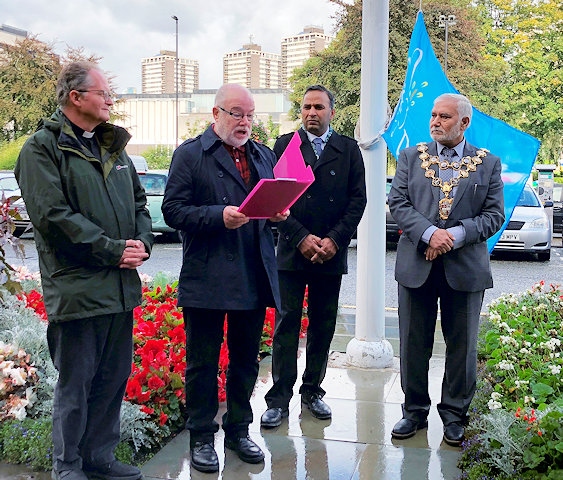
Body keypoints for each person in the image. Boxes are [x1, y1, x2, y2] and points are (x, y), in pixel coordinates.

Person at [15, 62, 153, 480]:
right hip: (77, 291)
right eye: (104, 92)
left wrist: (143, 244)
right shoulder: (42, 148)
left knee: (113, 379)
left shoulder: (114, 147)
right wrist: (112, 250)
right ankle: (68, 465)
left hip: (119, 288)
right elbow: (53, 218)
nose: (111, 99)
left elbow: (140, 206)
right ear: (76, 97)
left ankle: (99, 458)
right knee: (75, 386)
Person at [161, 83, 288, 474]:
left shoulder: (262, 155)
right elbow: (173, 211)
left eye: (250, 115)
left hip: (253, 272)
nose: (245, 122)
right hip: (208, 276)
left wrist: (279, 213)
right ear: (215, 114)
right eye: (237, 113)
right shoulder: (191, 154)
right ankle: (201, 434)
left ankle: (238, 428)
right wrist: (218, 216)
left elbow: (268, 201)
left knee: (246, 360)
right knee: (202, 362)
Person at [387, 93, 505, 446]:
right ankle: (414, 412)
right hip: (416, 265)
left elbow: (493, 216)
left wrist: (451, 236)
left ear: (464, 123)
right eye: (433, 115)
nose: (435, 122)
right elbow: (398, 202)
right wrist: (430, 234)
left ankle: (454, 415)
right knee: (412, 342)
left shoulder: (488, 163)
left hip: (465, 269)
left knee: (462, 346)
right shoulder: (410, 157)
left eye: (445, 117)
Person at [260, 84, 367, 428]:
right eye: (306, 107)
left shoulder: (348, 149)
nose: (311, 113)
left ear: (331, 111)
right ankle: (278, 398)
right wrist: (300, 236)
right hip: (293, 250)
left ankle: (312, 392)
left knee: (323, 324)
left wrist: (335, 241)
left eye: (319, 107)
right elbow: (276, 198)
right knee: (286, 323)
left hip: (330, 253)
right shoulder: (285, 145)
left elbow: (357, 201)